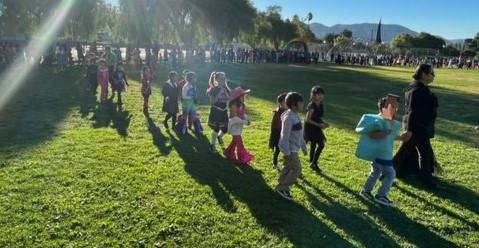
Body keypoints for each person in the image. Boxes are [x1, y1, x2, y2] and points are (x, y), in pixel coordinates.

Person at [356, 95, 410, 206]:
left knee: (375, 172)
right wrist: (383, 133)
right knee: (390, 174)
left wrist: (400, 137)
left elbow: (389, 137)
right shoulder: (378, 120)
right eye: (393, 107)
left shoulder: (389, 121)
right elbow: (371, 134)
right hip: (382, 154)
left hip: (379, 153)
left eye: (396, 107)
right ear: (383, 108)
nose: (395, 110)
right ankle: (381, 196)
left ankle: (366, 191)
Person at [393, 63, 440, 189]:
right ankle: (384, 173)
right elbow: (412, 112)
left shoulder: (418, 88)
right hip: (415, 128)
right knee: (402, 154)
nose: (433, 76)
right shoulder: (417, 90)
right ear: (423, 75)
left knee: (425, 153)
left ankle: (426, 179)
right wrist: (409, 130)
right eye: (431, 73)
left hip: (420, 128)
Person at [274, 92, 307, 200]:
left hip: (294, 148)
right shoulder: (288, 117)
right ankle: (283, 187)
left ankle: (280, 185)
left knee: (287, 168)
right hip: (289, 149)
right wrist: (287, 152)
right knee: (297, 169)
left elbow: (299, 133)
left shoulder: (295, 115)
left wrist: (303, 146)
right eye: (300, 103)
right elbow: (284, 136)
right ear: (293, 105)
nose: (303, 105)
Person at [224, 87, 254, 165]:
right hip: (234, 126)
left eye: (244, 96)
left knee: (234, 142)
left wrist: (246, 119)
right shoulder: (233, 105)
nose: (244, 97)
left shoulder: (241, 104)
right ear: (237, 97)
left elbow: (242, 114)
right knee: (239, 142)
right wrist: (245, 122)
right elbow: (234, 118)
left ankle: (228, 153)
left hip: (239, 126)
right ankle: (243, 158)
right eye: (242, 96)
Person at [303, 86, 329, 172]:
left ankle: (312, 162)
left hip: (316, 126)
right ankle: (313, 163)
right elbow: (307, 119)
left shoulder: (320, 104)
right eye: (318, 94)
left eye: (322, 94)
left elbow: (318, 117)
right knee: (321, 145)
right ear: (314, 95)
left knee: (314, 144)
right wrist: (318, 124)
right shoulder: (312, 105)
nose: (321, 96)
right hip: (310, 127)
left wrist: (324, 123)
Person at [206, 71, 231, 152]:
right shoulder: (214, 89)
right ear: (216, 79)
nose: (223, 80)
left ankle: (219, 137)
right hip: (216, 111)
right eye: (221, 78)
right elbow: (212, 102)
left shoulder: (226, 88)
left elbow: (230, 100)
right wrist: (220, 92)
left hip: (224, 112)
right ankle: (212, 145)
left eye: (224, 78)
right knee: (216, 129)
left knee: (225, 129)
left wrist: (225, 93)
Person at [269, 92, 287, 169]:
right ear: (280, 103)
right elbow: (276, 125)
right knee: (278, 149)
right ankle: (275, 163)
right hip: (278, 134)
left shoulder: (289, 112)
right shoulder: (277, 113)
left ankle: (286, 164)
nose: (286, 103)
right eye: (284, 102)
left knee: (286, 150)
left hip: (286, 134)